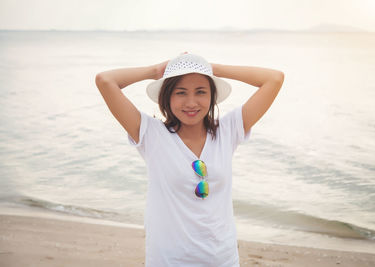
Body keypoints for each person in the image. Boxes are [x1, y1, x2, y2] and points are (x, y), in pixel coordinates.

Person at [95, 53, 284, 266]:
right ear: (167, 97)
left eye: (201, 92)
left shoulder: (228, 131)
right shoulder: (151, 134)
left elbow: (274, 79)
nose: (191, 103)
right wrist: (156, 71)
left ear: (212, 96)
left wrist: (211, 69)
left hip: (221, 258)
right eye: (181, 93)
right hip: (169, 259)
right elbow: (105, 80)